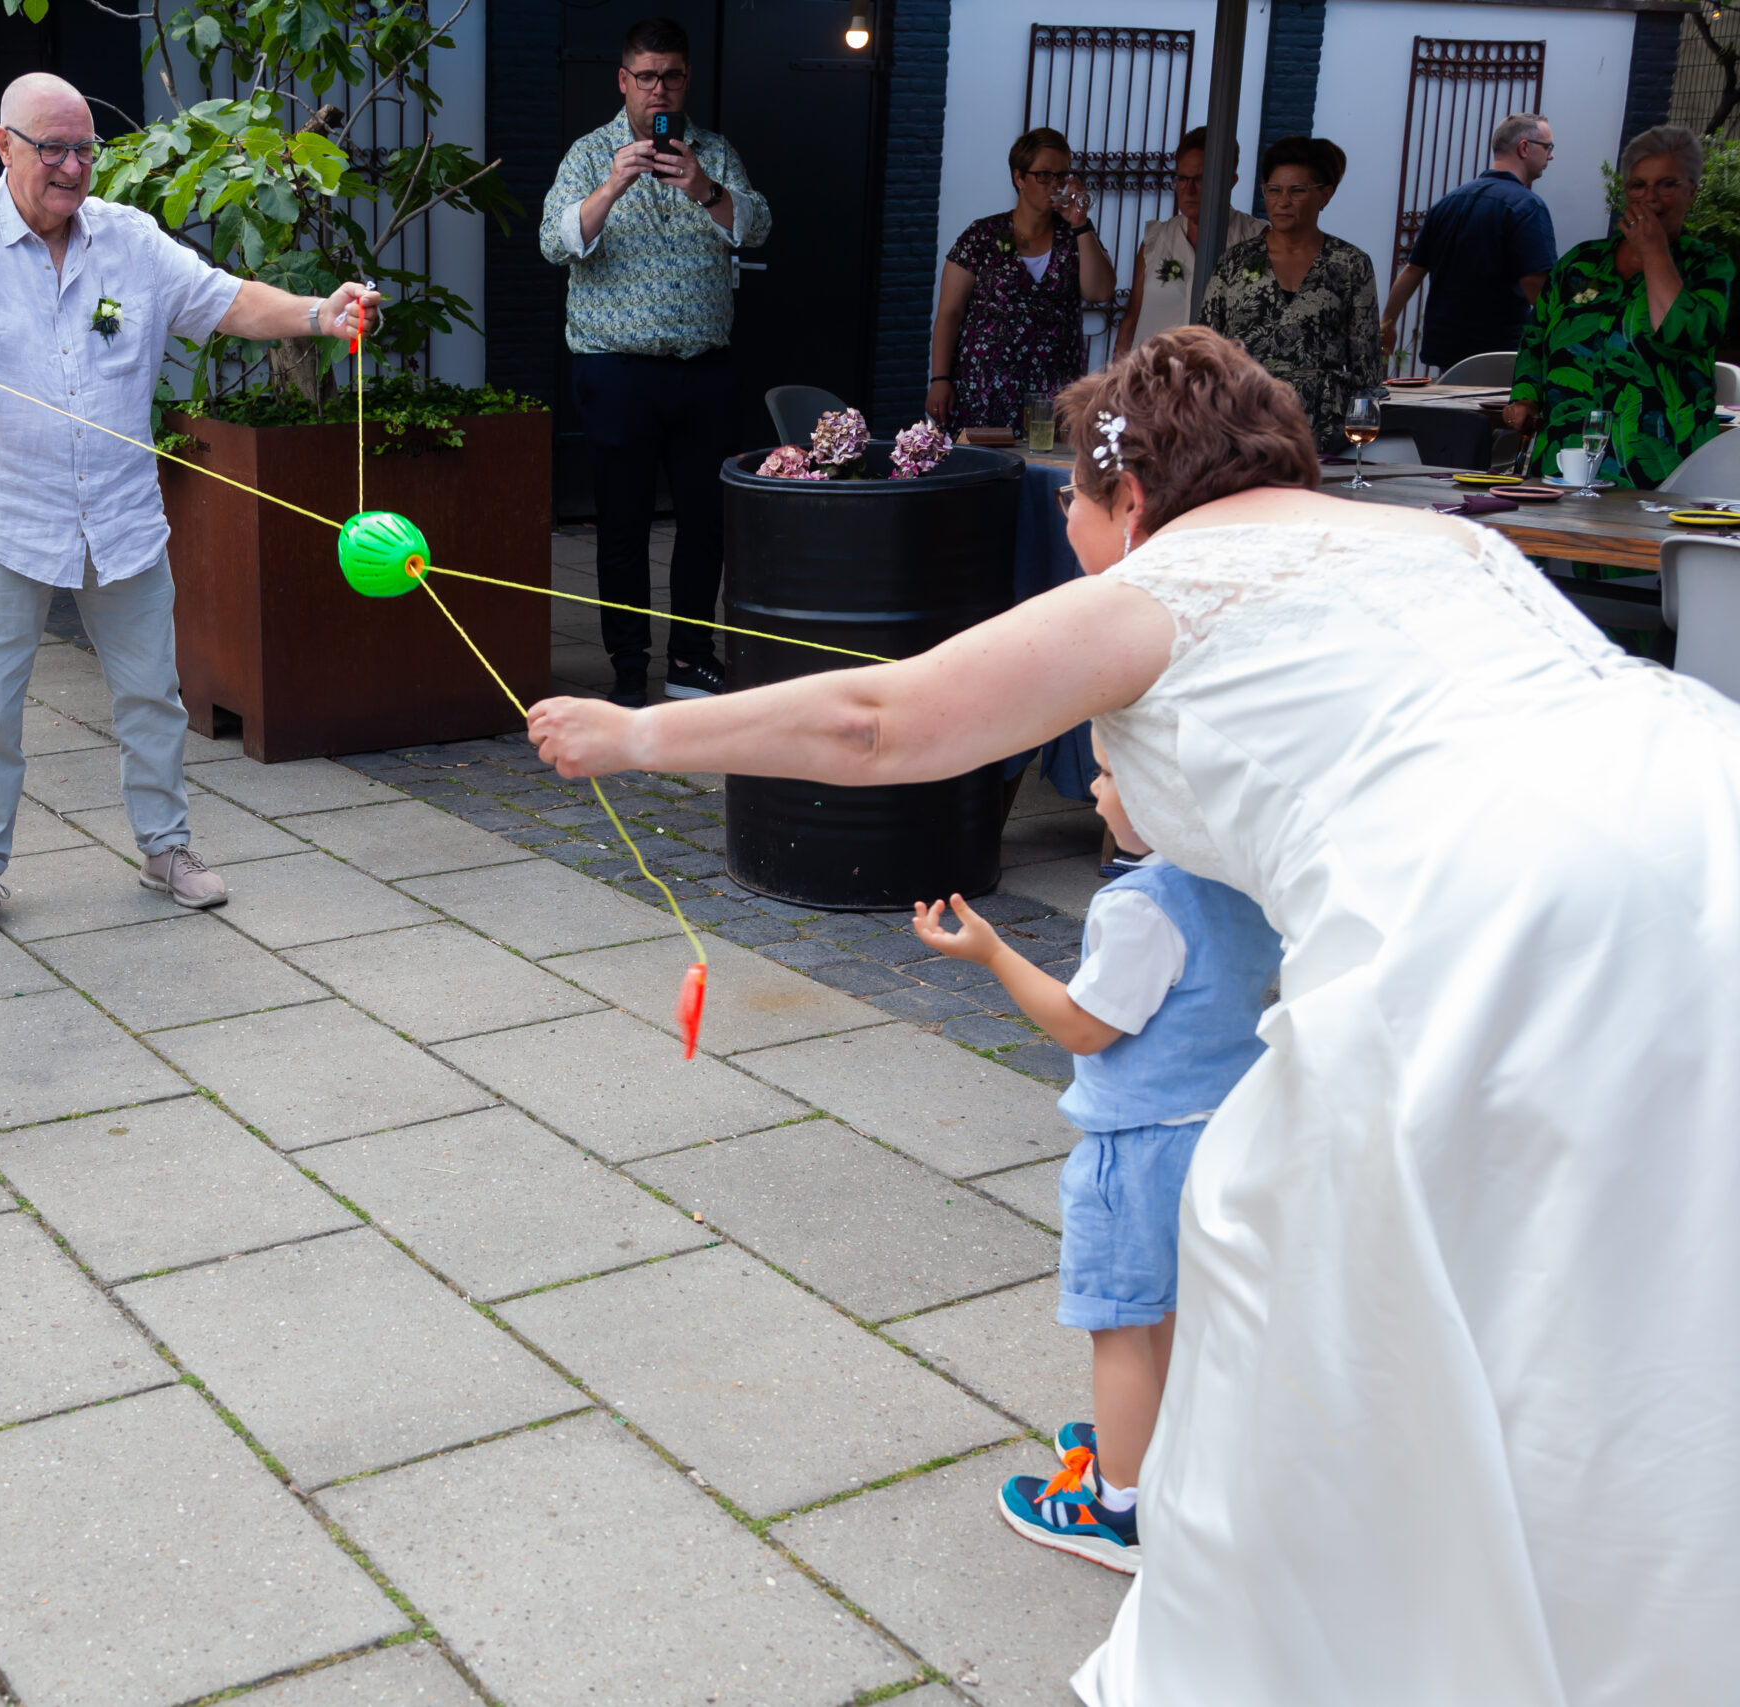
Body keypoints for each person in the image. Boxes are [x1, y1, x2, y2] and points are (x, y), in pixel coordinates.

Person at [523, 324, 1738, 1703]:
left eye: (1078, 498)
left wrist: (634, 736)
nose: (1066, 522)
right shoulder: (1445, 539)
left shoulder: (1169, 580)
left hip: (1499, 897)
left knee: (1287, 1270)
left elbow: (880, 720)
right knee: (1614, 1266)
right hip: (1704, 791)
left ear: (1138, 495)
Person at [0, 74, 379, 937]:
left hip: (123, 519)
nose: (71, 167)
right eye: (52, 149)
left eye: (84, 150)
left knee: (153, 696)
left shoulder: (129, 238)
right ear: (4, 145)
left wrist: (322, 315)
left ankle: (166, 849)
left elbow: (227, 300)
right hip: (0, 521)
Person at [916, 740, 1281, 1576]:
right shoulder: (1247, 883)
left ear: (1165, 803)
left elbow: (1084, 1026)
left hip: (1141, 1146)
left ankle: (1118, 1507)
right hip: (1219, 1131)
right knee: (1173, 1305)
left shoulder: (1141, 906)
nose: (1094, 784)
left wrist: (993, 953)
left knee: (1118, 1321)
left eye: (1112, 773)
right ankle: (1158, 1449)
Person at [538, 16, 771, 709]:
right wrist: (613, 185)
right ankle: (629, 668)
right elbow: (555, 241)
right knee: (622, 524)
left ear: (686, 79)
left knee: (706, 522)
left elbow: (757, 226)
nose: (658, 90)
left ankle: (691, 660)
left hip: (704, 369)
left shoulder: (714, 153)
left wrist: (705, 189)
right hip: (617, 372)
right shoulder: (590, 154)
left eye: (670, 76)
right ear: (623, 81)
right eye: (646, 77)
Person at [1506, 124, 1733, 489]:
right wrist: (1525, 397)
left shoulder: (1706, 267)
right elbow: (1537, 336)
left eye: (1667, 184)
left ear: (1691, 191)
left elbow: (1683, 333)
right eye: (1638, 185)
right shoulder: (1583, 263)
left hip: (1659, 469)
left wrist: (1654, 251)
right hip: (1565, 459)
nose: (1651, 198)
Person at [928, 127, 1118, 433]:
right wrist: (940, 378)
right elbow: (950, 312)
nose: (1055, 184)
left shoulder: (1075, 237)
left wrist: (1080, 224)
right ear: (1019, 178)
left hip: (1052, 391)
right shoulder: (982, 236)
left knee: (1046, 460)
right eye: (1044, 175)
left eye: (1062, 175)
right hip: (985, 387)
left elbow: (1101, 291)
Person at [1200, 136, 1381, 453]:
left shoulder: (1350, 264)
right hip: (1244, 424)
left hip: (1323, 432)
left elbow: (1366, 368)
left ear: (1325, 195)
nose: (1283, 201)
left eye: (1297, 191)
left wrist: (1360, 431)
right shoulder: (1236, 262)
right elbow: (1207, 348)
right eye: (1274, 190)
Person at [1377, 112, 1556, 372]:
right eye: (1548, 147)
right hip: (1501, 355)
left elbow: (1413, 269)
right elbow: (1535, 284)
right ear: (1524, 148)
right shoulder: (1526, 207)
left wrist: (1388, 321)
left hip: (1448, 354)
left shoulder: (1448, 203)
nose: (1551, 156)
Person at [1111, 126, 1265, 360]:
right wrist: (1116, 375)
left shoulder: (1256, 238)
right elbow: (1131, 320)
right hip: (1155, 373)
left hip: (1222, 375)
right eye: (1182, 178)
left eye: (1201, 179)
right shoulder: (1156, 240)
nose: (1188, 189)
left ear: (1231, 181)